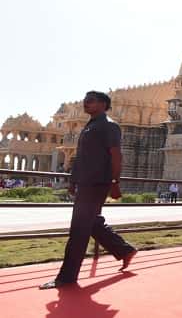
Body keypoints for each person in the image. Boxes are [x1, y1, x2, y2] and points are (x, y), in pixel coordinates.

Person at [40, 91, 137, 289]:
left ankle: (66, 277)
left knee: (79, 229)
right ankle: (124, 250)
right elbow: (81, 157)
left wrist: (115, 182)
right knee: (92, 223)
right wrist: (73, 181)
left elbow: (116, 155)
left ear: (103, 104)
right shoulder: (89, 126)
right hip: (85, 182)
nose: (86, 103)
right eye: (85, 100)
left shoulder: (109, 126)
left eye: (91, 100)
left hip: (96, 183)